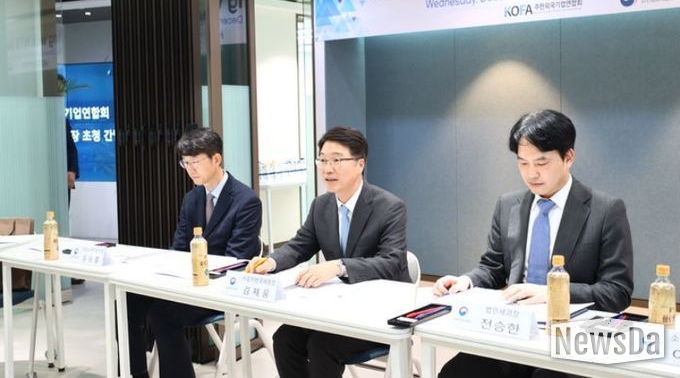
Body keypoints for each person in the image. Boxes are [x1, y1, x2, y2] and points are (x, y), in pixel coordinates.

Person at [434, 109, 634, 378]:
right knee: (456, 372)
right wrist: (466, 281)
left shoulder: (605, 210)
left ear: (568, 157)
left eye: (541, 162)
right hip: (514, 331)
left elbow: (617, 292)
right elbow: (493, 267)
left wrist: (553, 293)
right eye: (523, 163)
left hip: (570, 337)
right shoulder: (508, 205)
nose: (532, 174)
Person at [247, 126, 409, 378]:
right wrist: (270, 262)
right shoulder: (321, 205)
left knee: (322, 346)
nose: (327, 169)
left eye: (336, 160)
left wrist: (338, 266)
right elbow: (300, 245)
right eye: (322, 160)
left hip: (380, 310)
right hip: (337, 308)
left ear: (360, 164)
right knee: (284, 339)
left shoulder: (389, 207)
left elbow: (392, 262)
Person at [127, 127, 262, 378]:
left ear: (216, 159)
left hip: (220, 289)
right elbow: (179, 248)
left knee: (161, 315)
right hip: (186, 284)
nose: (190, 169)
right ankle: (136, 374)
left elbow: (237, 260)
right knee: (128, 300)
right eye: (185, 163)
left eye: (195, 162)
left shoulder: (246, 200)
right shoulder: (192, 199)